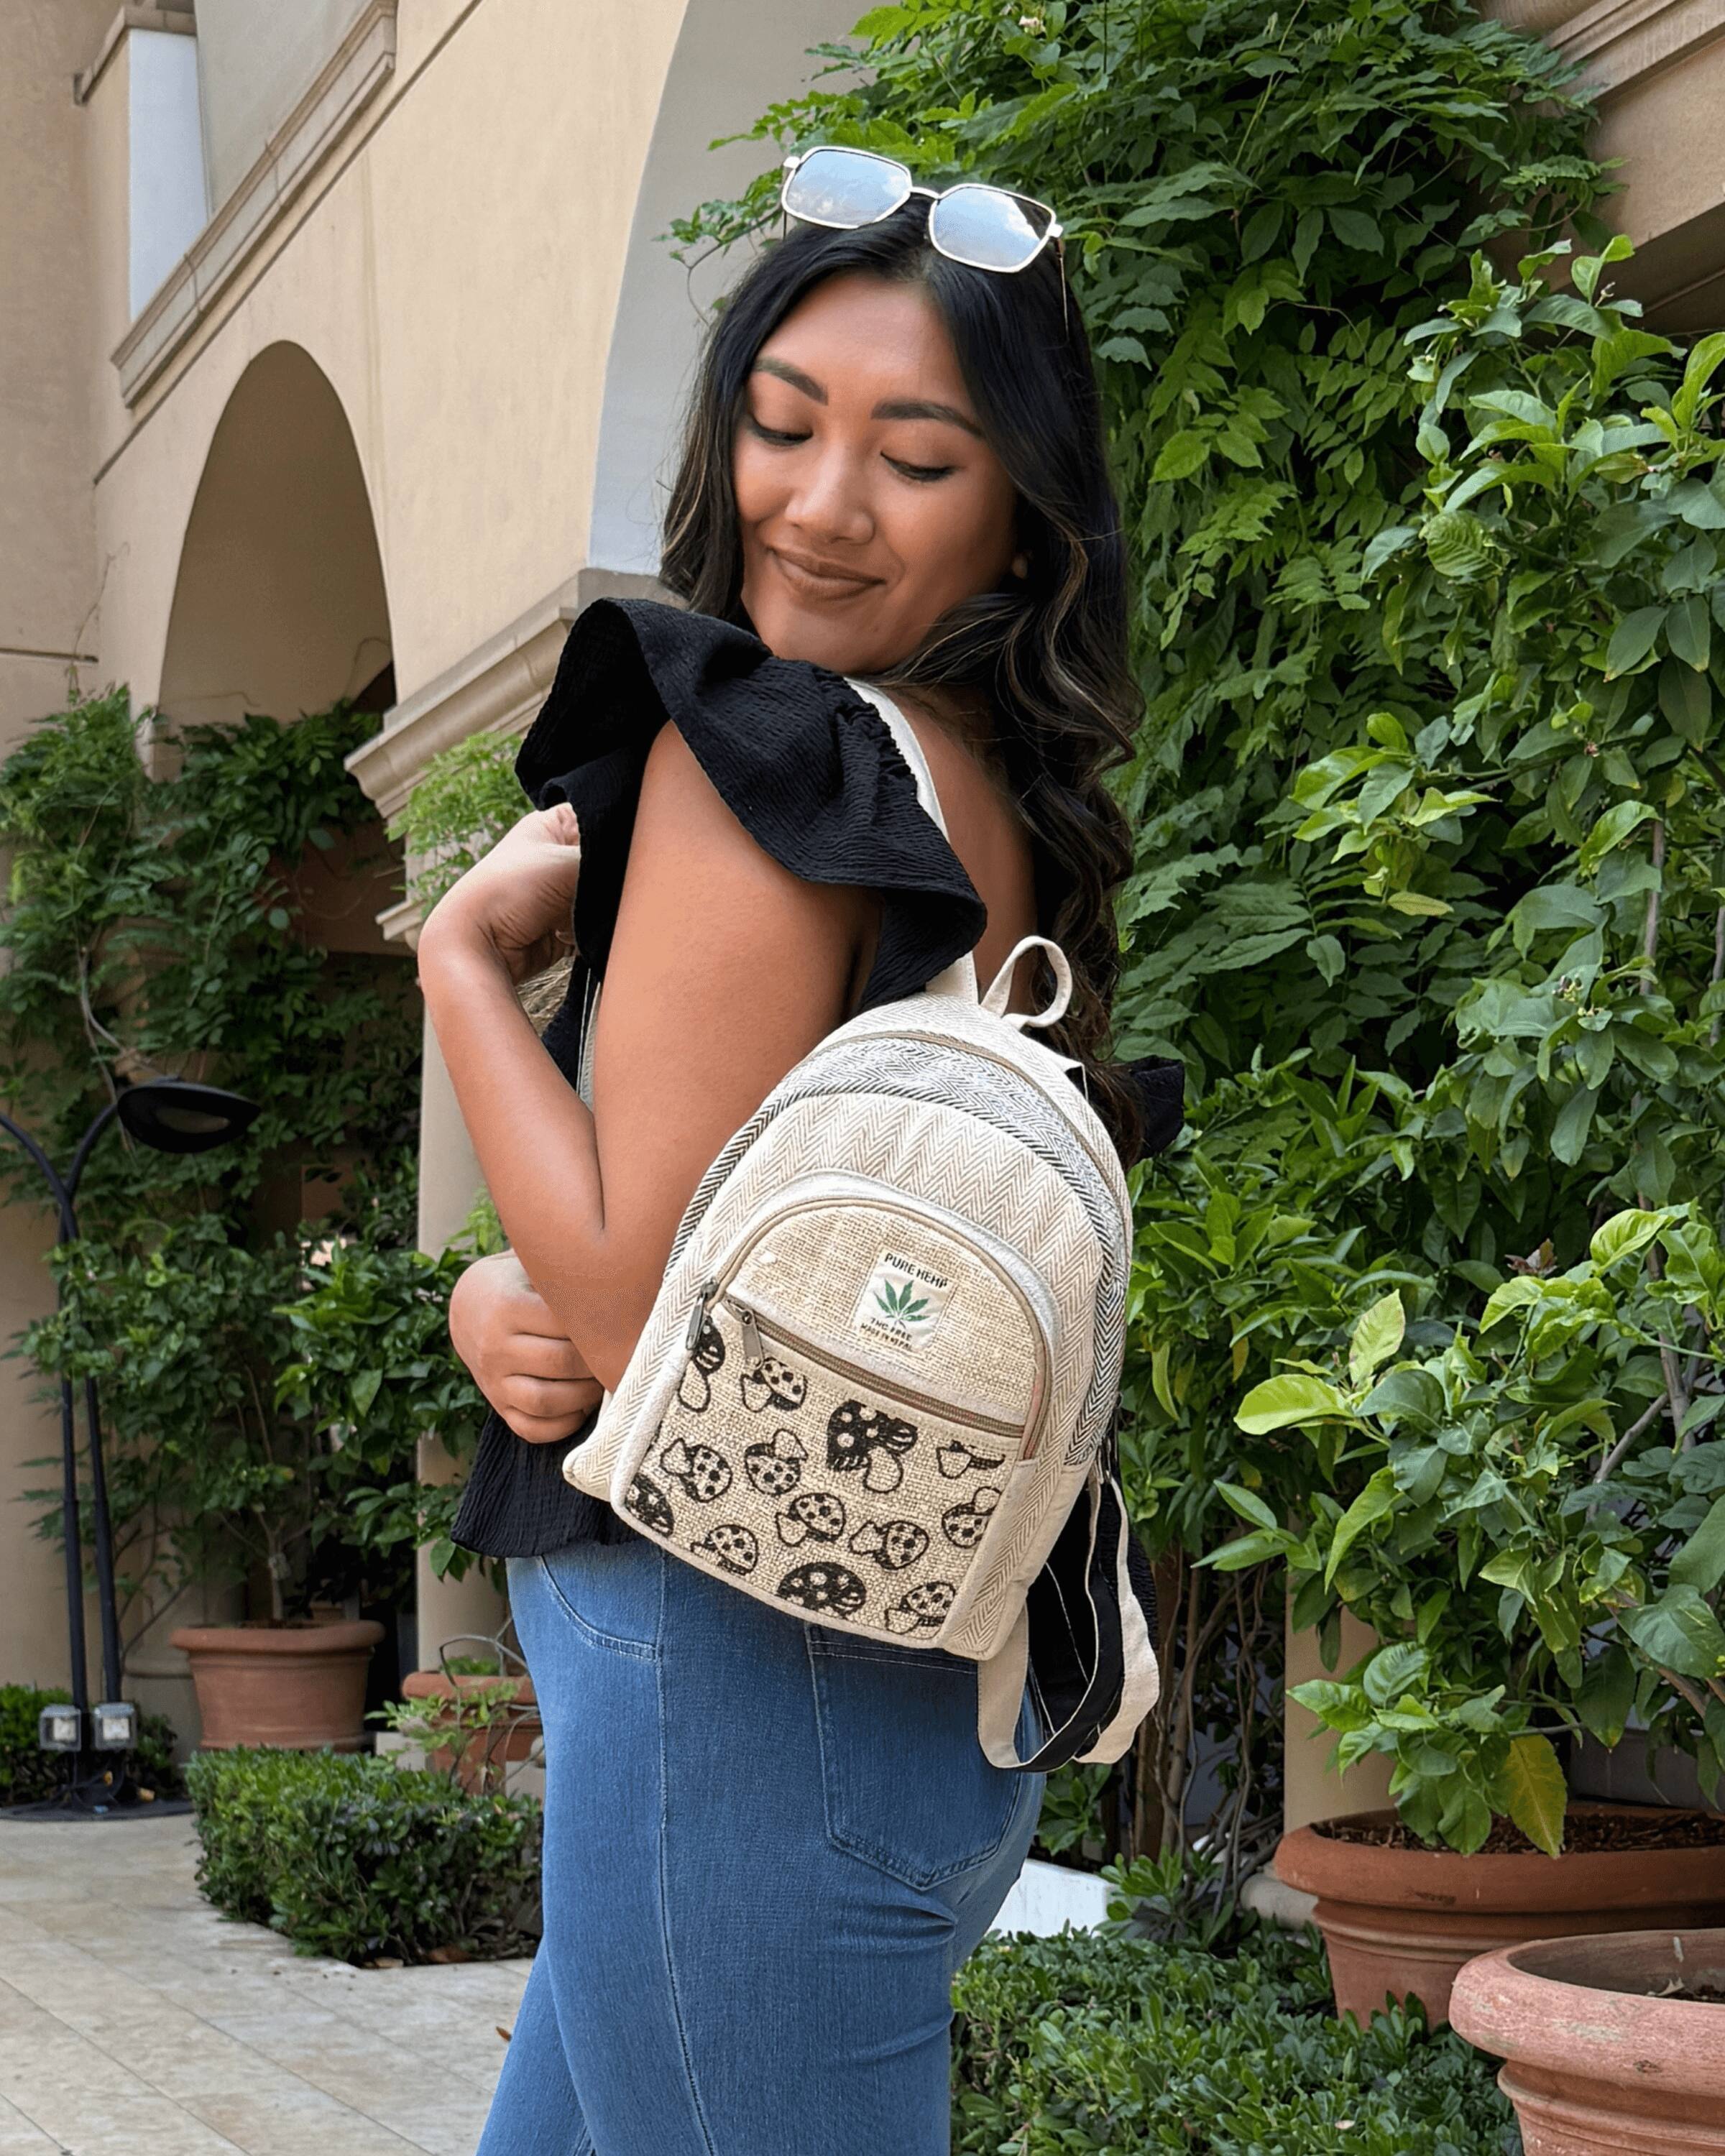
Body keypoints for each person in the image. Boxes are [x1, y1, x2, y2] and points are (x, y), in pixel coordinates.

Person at [419, 155, 1150, 2156]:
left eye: (917, 457)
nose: (821, 505)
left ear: (1016, 508)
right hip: (883, 1695)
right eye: (784, 421)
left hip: (735, 1698)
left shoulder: (771, 764)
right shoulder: (993, 801)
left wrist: (466, 969)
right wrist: (518, 1290)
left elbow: (630, 1297)